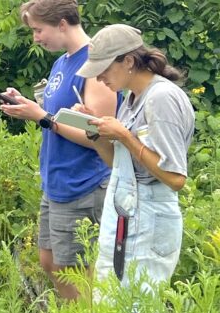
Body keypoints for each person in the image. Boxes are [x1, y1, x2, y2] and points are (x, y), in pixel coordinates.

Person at [0, 0, 119, 301]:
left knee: (76, 271)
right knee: (49, 261)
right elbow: (57, 114)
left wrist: (42, 118)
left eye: (39, 30)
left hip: (83, 182)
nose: (36, 38)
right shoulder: (61, 63)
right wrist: (28, 106)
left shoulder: (95, 66)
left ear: (62, 23)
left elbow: (101, 137)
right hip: (56, 180)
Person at [75, 25, 194, 292]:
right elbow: (117, 164)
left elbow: (175, 178)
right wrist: (95, 133)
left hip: (151, 213)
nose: (100, 78)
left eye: (104, 69)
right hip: (128, 207)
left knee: (140, 312)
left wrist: (126, 137)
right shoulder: (131, 98)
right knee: (113, 301)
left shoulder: (161, 98)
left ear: (128, 61)